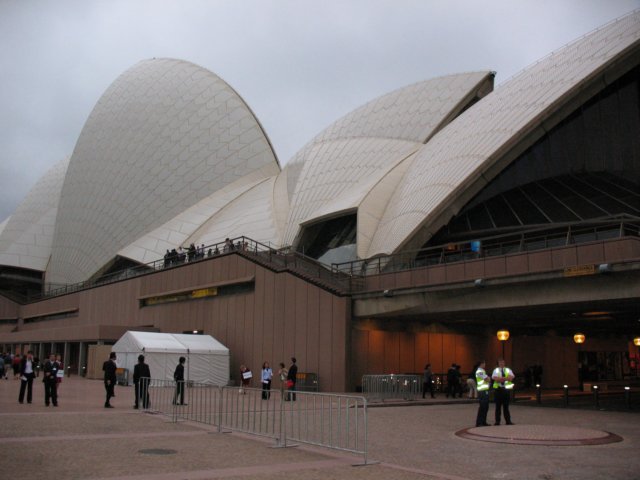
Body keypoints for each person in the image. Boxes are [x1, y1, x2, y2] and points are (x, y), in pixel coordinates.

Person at [492, 358, 515, 425]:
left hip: (506, 390)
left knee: (506, 407)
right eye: (500, 362)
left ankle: (508, 421)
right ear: (498, 363)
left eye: (503, 362)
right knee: (498, 407)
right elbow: (496, 379)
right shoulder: (495, 370)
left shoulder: (508, 370)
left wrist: (501, 379)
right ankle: (497, 421)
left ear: (504, 363)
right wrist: (506, 378)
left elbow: (511, 378)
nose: (501, 363)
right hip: (498, 390)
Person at [475, 360, 490, 427]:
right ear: (481, 364)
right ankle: (479, 422)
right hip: (482, 391)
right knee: (483, 407)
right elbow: (487, 379)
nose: (485, 365)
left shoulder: (482, 371)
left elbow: (487, 379)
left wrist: (488, 378)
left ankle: (483, 421)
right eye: (484, 363)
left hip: (485, 390)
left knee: (486, 407)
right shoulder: (479, 371)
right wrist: (488, 378)